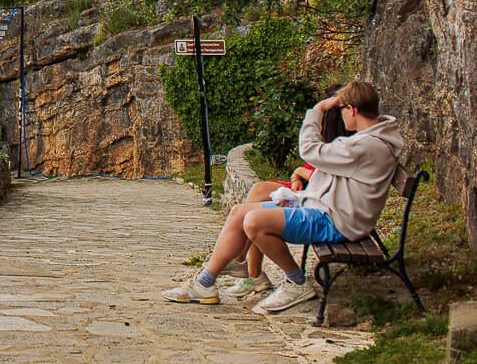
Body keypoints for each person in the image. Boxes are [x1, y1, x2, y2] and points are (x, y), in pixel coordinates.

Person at [163, 81, 405, 316]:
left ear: (351, 109)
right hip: (324, 209)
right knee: (240, 212)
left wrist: (317, 111)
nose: (339, 115)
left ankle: (296, 282)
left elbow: (309, 150)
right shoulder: (370, 140)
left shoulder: (368, 146)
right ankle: (205, 282)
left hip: (336, 221)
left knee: (254, 222)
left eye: (340, 109)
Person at [219, 87, 352, 298]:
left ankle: (249, 270)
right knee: (258, 191)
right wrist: (296, 175)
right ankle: (249, 271)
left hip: (321, 197)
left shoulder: (346, 139)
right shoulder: (338, 135)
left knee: (256, 207)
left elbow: (323, 170)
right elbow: (311, 167)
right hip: (313, 188)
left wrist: (300, 172)